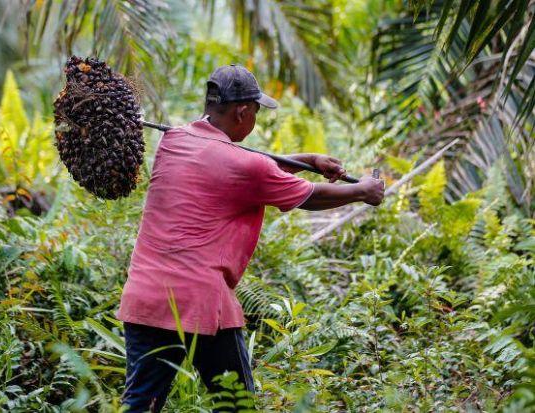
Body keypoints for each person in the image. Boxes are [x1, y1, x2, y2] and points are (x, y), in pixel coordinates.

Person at [116, 64, 385, 412]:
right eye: (256, 111)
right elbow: (306, 195)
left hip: (146, 298)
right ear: (243, 111)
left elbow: (247, 167)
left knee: (140, 404)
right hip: (200, 302)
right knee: (236, 406)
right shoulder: (244, 166)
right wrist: (363, 191)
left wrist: (310, 160)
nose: (255, 118)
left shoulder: (174, 141)